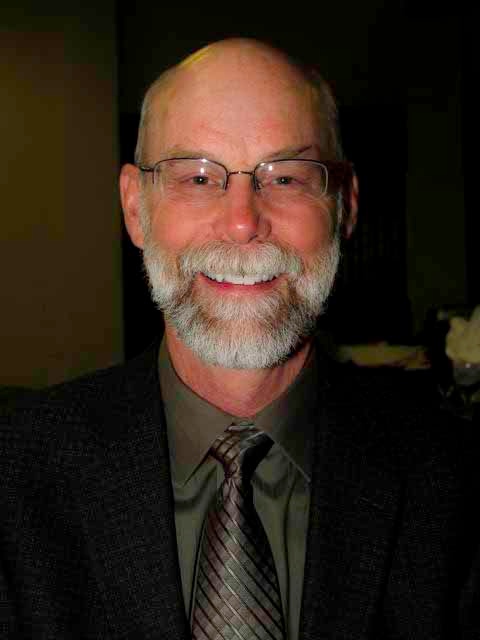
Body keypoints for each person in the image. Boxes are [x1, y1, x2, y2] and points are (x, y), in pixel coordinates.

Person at [1, 38, 479, 640]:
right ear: (135, 207)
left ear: (345, 205)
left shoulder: (458, 485)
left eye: (287, 177)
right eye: (198, 177)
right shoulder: (13, 478)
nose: (242, 222)